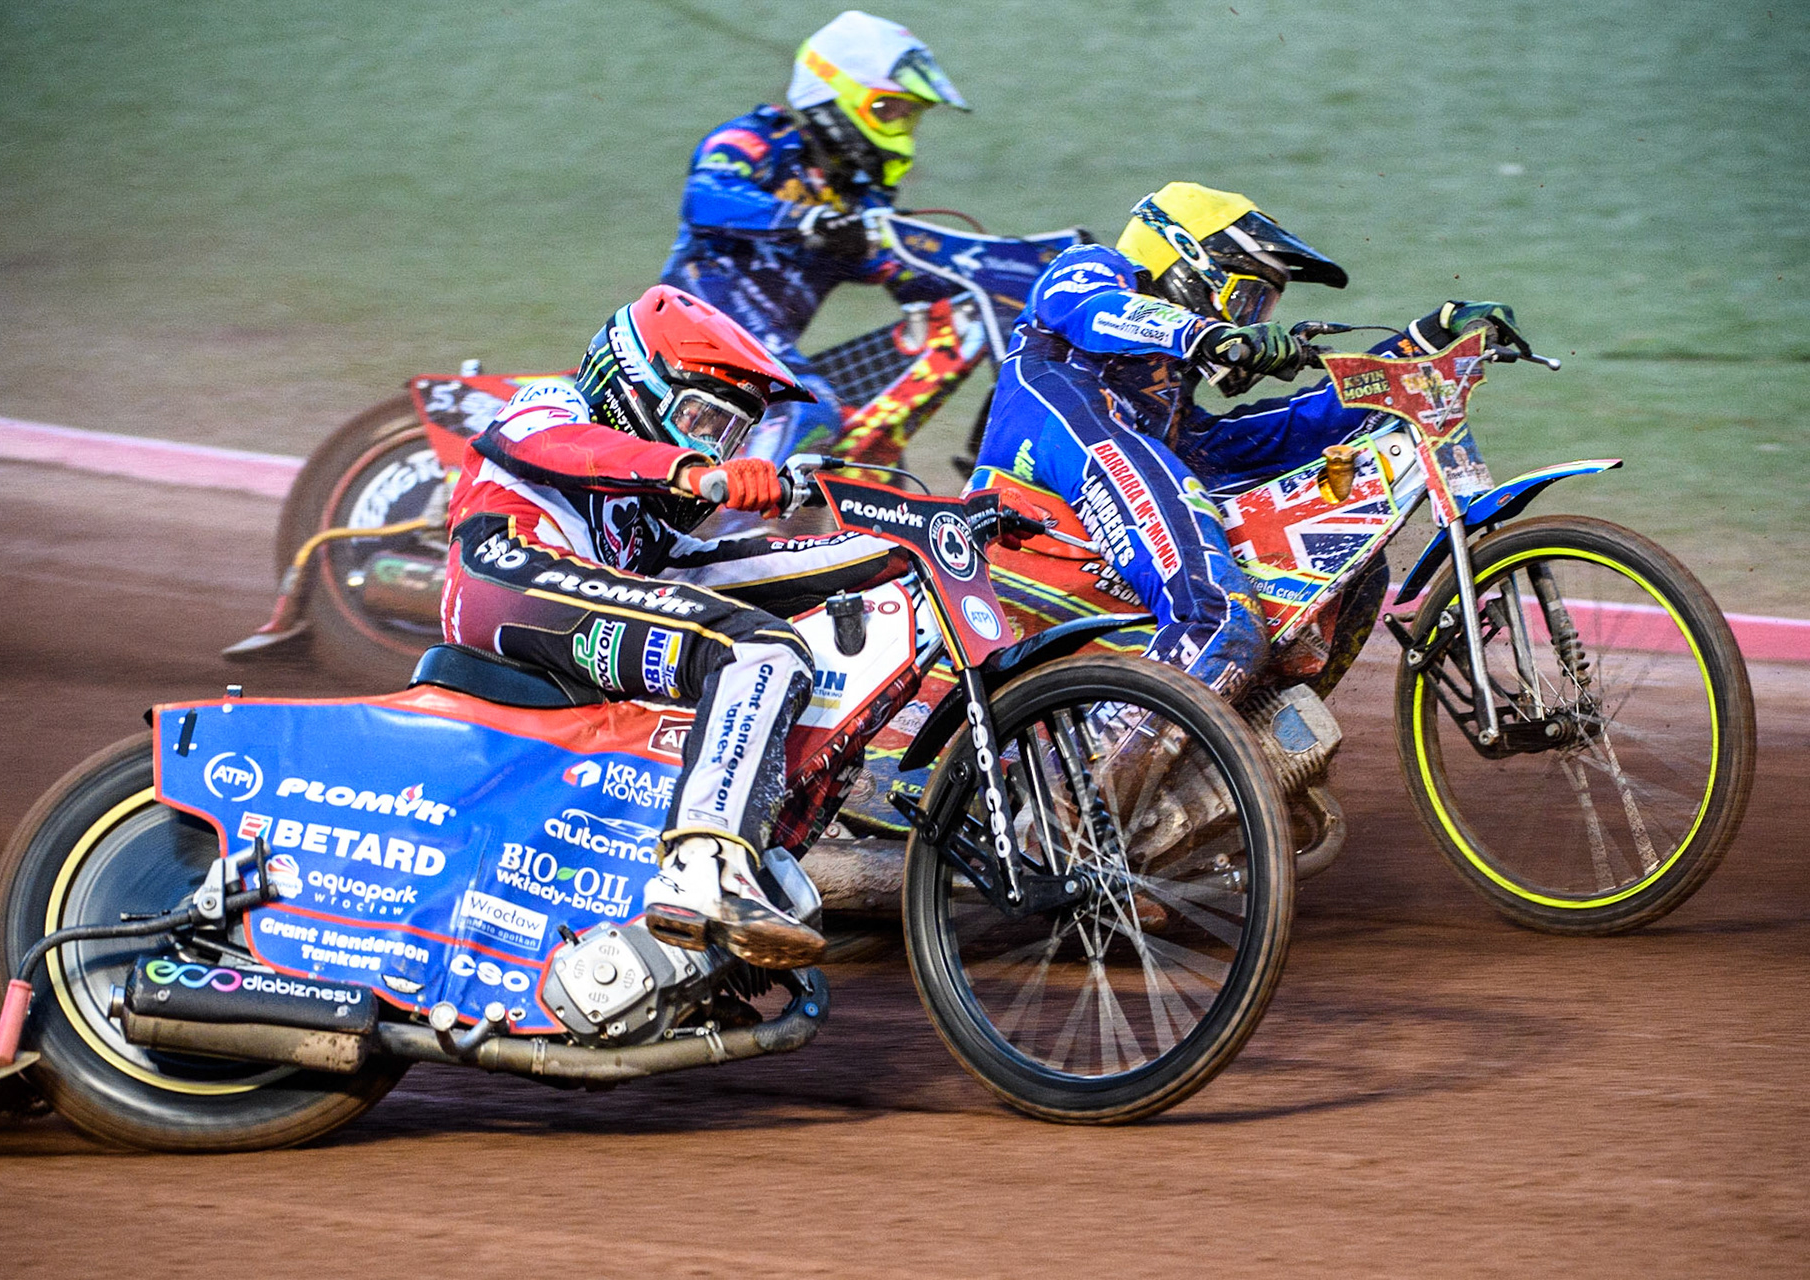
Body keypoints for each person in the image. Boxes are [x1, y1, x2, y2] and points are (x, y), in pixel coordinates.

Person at [440, 285, 913, 968]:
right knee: (759, 649)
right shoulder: (552, 404)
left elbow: (733, 566)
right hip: (504, 573)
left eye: (727, 436)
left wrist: (911, 544)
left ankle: (739, 870)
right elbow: (565, 448)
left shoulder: (647, 523)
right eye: (699, 417)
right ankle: (701, 870)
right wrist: (694, 471)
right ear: (632, 383)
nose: (711, 444)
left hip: (561, 598)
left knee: (812, 665)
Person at [971, 180, 1525, 699]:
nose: (1255, 320)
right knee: (1218, 618)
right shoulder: (1092, 269)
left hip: (1080, 514)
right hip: (1040, 463)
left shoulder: (1167, 409)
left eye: (1264, 310)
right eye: (1248, 300)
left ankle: (1234, 758)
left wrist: (1414, 348)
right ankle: (1098, 781)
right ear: (1187, 261)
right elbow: (1096, 310)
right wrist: (1210, 333)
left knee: (1353, 568)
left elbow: (1275, 431)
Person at [659, 10, 969, 460]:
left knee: (862, 447)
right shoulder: (760, 138)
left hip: (751, 355)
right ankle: (739, 529)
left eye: (910, 117)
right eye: (890, 111)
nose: (903, 130)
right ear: (837, 93)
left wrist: (972, 286)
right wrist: (807, 222)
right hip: (688, 329)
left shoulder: (861, 201)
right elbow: (704, 197)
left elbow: (899, 262)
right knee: (810, 412)